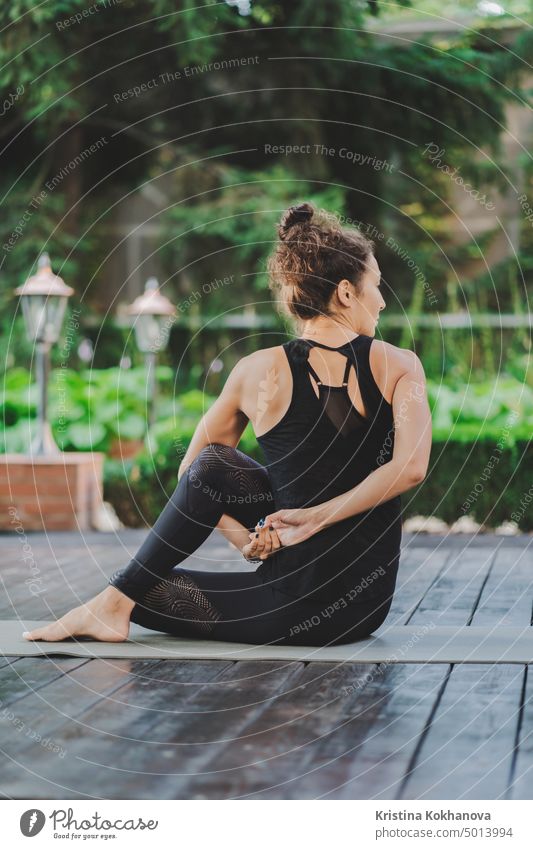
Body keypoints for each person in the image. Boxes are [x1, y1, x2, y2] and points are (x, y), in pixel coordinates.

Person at [23, 202, 432, 647]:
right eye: (377, 286)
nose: (383, 300)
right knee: (137, 583)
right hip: (362, 607)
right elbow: (408, 466)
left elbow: (194, 473)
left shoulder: (255, 371)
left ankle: (111, 606)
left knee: (135, 582)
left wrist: (308, 520)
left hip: (289, 604)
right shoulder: (399, 364)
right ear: (347, 293)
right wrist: (253, 541)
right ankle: (113, 604)